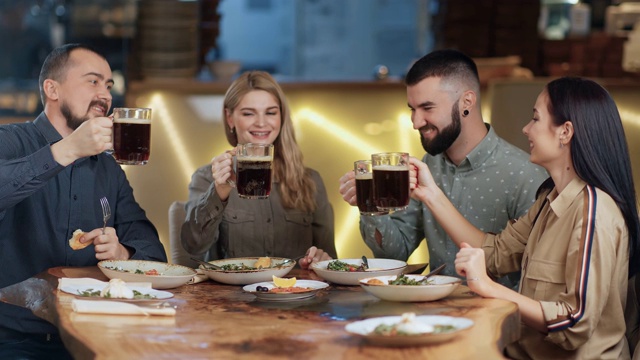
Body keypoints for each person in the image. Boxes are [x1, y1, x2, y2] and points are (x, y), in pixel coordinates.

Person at [411, 77, 639, 359]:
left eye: (535, 119)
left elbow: (574, 323)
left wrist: (489, 288)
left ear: (565, 132)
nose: (526, 129)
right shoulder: (549, 199)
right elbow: (494, 255)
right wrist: (430, 193)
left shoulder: (592, 211)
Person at [0, 43, 167, 359]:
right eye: (92, 81)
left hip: (94, 337)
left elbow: (153, 252)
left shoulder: (107, 167)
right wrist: (67, 150)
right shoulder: (10, 141)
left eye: (108, 85)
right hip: (15, 341)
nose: (105, 94)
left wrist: (122, 253)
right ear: (53, 89)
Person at [338, 49, 547, 288]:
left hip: (495, 318)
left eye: (427, 108)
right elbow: (396, 253)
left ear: (467, 102)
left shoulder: (525, 175)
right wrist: (370, 207)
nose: (416, 122)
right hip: (431, 314)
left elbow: (531, 274)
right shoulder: (429, 165)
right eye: (412, 109)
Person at [181, 71, 336, 269]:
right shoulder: (206, 178)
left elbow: (330, 260)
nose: (261, 123)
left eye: (271, 112)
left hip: (294, 295)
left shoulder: (310, 181)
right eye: (248, 113)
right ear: (230, 118)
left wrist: (322, 259)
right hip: (233, 297)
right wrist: (218, 192)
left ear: (281, 117)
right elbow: (193, 247)